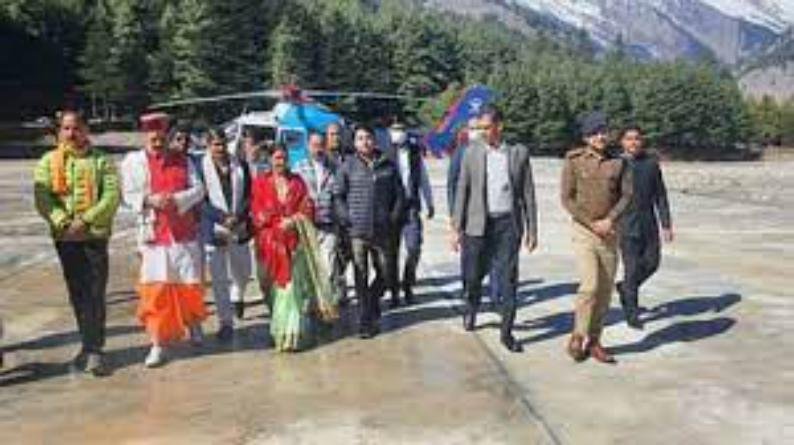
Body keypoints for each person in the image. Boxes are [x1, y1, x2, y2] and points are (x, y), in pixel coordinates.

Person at [33, 110, 120, 376]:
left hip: (94, 236)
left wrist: (86, 220)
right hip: (66, 237)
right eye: (66, 129)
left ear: (86, 130)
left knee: (95, 293)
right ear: (59, 132)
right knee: (77, 294)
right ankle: (87, 344)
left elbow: (111, 196)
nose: (72, 134)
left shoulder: (101, 160)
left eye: (77, 128)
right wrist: (62, 221)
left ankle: (95, 349)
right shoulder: (48, 161)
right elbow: (43, 197)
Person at [121, 116, 207, 368]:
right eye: (153, 138)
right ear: (145, 137)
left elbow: (199, 189)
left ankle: (194, 323)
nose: (158, 142)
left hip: (184, 234)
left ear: (168, 137)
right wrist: (150, 200)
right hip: (153, 236)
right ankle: (158, 342)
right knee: (156, 292)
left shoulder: (184, 160)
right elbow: (127, 194)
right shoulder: (133, 162)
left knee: (189, 285)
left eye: (162, 138)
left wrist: (177, 199)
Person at [451, 105, 538, 353]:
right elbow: (462, 189)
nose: (483, 132)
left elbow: (528, 194)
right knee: (473, 275)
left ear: (500, 126)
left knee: (508, 279)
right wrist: (456, 227)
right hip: (477, 225)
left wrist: (532, 230)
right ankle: (471, 307)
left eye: (487, 127)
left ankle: (506, 333)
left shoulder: (518, 153)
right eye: (480, 128)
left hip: (508, 224)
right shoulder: (471, 153)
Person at [560, 112, 633, 364]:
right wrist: (591, 223)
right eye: (594, 133)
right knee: (589, 285)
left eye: (603, 131)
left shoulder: (619, 162)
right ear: (585, 137)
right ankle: (578, 335)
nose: (600, 137)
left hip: (610, 233)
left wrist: (610, 220)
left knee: (604, 291)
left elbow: (627, 195)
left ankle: (594, 341)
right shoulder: (574, 160)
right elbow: (567, 198)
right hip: (584, 231)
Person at [251, 144, 336, 352]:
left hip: (294, 243)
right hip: (269, 245)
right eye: (277, 158)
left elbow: (307, 207)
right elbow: (257, 211)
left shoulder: (297, 182)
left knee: (291, 291)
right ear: (270, 160)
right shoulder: (260, 183)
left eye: (283, 158)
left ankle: (292, 336)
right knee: (271, 290)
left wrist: (294, 220)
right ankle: (278, 330)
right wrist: (275, 224)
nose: (280, 162)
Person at [335, 125, 405, 338]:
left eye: (368, 138)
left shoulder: (388, 165)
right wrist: (346, 217)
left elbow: (399, 196)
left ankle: (373, 300)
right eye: (360, 138)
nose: (364, 142)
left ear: (374, 141)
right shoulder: (347, 166)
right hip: (357, 230)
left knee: (386, 273)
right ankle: (365, 320)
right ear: (354, 142)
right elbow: (338, 195)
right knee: (360, 275)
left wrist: (393, 217)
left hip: (382, 230)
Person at [617, 125, 673, 330]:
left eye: (637, 138)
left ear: (642, 141)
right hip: (625, 224)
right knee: (631, 269)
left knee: (652, 263)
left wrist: (666, 223)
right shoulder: (616, 164)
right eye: (629, 138)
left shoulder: (651, 164)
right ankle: (632, 313)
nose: (633, 142)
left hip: (648, 222)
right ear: (622, 142)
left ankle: (625, 288)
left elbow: (660, 195)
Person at [201, 129, 253, 340]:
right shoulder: (201, 168)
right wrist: (222, 218)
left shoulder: (241, 165)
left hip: (239, 224)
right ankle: (225, 322)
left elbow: (249, 195)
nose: (220, 149)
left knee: (244, 270)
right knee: (219, 279)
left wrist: (238, 217)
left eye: (222, 144)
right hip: (214, 228)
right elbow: (200, 200)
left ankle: (238, 294)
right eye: (216, 145)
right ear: (208, 146)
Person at [384, 121, 434, 305]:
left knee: (414, 247)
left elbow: (423, 178)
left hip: (411, 206)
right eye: (395, 130)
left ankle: (408, 282)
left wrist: (429, 202)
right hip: (391, 208)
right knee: (391, 253)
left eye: (401, 129)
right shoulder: (385, 154)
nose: (398, 133)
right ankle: (394, 291)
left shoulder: (414, 152)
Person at [294, 133, 344, 306]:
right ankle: (313, 303)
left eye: (321, 145)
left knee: (328, 267)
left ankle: (325, 304)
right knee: (310, 268)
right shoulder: (298, 168)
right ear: (308, 146)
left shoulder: (335, 167)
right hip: (307, 225)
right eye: (314, 145)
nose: (318, 149)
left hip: (329, 223)